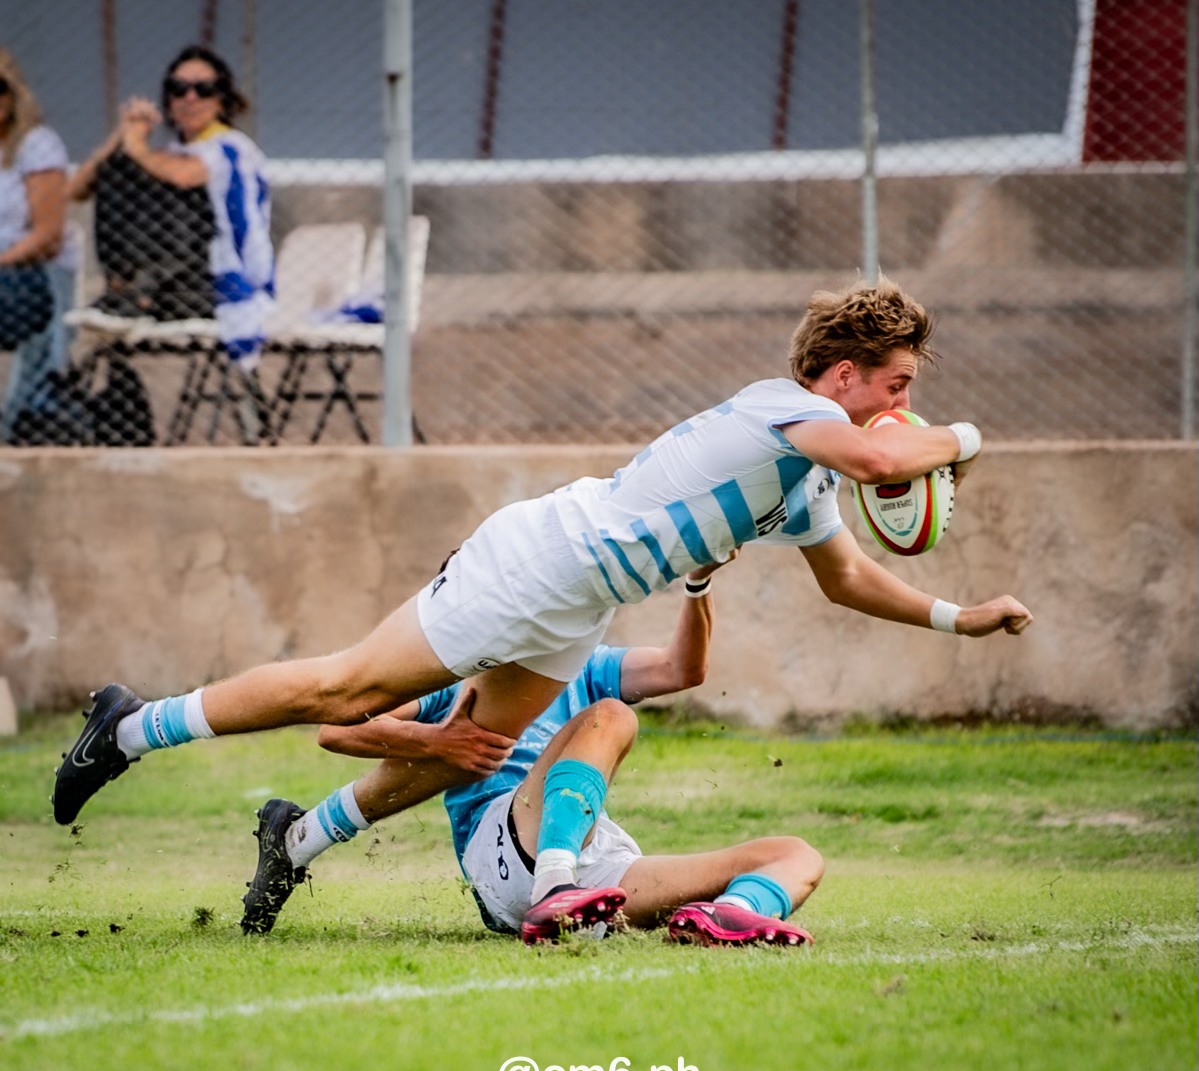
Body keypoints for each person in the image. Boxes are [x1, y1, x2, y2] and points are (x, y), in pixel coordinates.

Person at [52, 277, 1034, 830]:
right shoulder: (795, 410)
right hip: (543, 560)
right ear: (846, 372)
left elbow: (848, 576)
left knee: (465, 753)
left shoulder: (813, 470)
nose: (903, 406)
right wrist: (967, 435)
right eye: (896, 383)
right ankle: (131, 727)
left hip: (575, 605)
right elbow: (878, 452)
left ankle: (294, 841)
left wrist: (960, 616)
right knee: (346, 691)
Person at [240, 552, 823, 946]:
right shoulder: (455, 678)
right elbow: (335, 731)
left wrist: (698, 582)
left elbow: (682, 669)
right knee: (612, 717)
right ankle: (555, 887)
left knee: (795, 855)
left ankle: (715, 919)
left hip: (601, 867)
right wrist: (441, 738)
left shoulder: (584, 666)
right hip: (507, 853)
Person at [69, 45, 273, 372]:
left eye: (203, 90)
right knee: (119, 169)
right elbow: (76, 189)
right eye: (179, 89)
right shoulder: (175, 150)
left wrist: (136, 147)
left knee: (139, 168)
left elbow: (183, 176)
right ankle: (128, 288)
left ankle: (140, 292)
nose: (190, 98)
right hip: (174, 280)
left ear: (222, 99)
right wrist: (120, 135)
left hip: (221, 281)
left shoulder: (232, 147)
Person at [0, 49, 77, 443]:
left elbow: (48, 237)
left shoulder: (36, 144)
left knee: (24, 411)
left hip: (32, 276)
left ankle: (17, 425)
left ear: (14, 95)